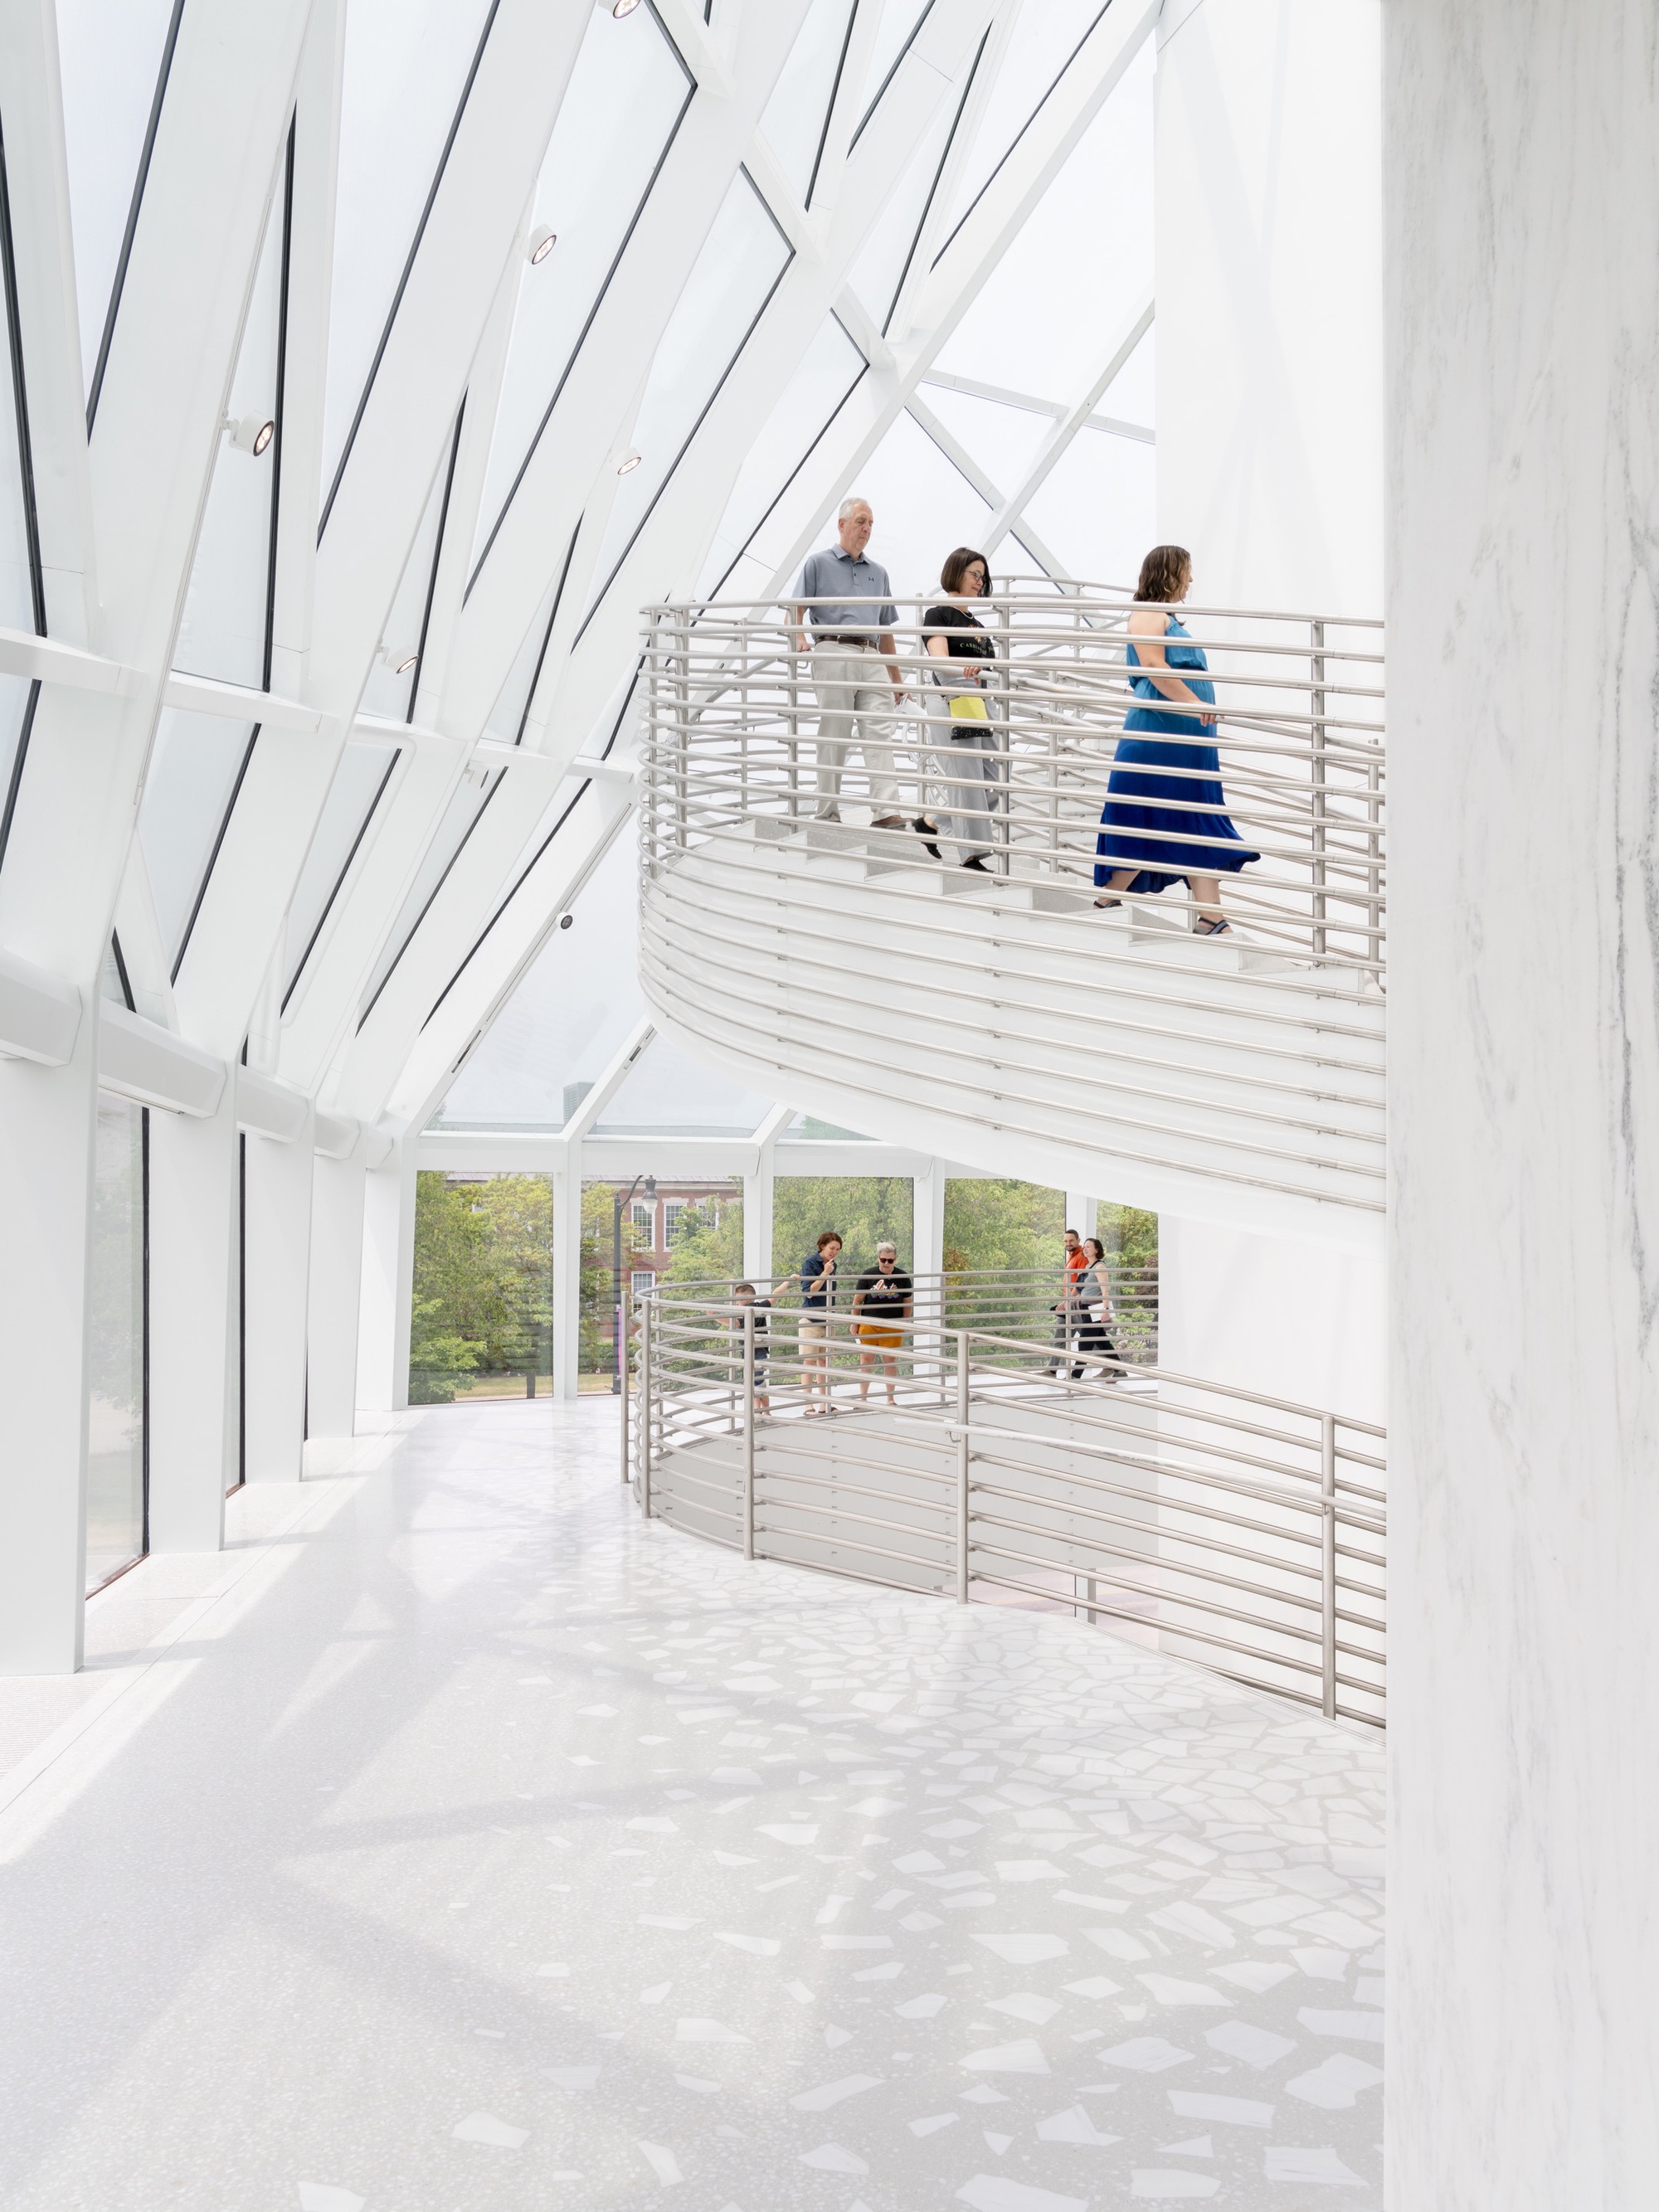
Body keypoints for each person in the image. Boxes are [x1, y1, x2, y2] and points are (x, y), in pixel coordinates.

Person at [1094, 544, 1259, 936]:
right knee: (1152, 812)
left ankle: (1210, 917)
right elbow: (1153, 664)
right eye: (1187, 571)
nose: (1191, 579)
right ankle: (1106, 900)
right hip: (1160, 730)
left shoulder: (1165, 617)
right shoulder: (1149, 612)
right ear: (1169, 573)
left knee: (1191, 815)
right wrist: (1194, 702)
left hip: (1184, 735)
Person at [791, 498, 939, 846]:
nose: (867, 529)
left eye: (871, 523)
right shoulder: (818, 563)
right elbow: (796, 607)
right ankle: (827, 812)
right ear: (842, 524)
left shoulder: (879, 573)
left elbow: (885, 629)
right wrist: (799, 638)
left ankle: (886, 812)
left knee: (879, 733)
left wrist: (896, 679)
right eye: (860, 521)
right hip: (833, 649)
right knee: (835, 733)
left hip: (871, 655)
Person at [922, 547, 1003, 871]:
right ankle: (972, 855)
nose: (980, 582)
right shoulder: (938, 614)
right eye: (975, 574)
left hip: (981, 702)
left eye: (983, 577)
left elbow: (992, 670)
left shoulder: (979, 626)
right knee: (967, 777)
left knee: (996, 778)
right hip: (953, 698)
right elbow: (939, 658)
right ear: (956, 572)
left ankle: (930, 822)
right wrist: (962, 669)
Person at [852, 1242, 913, 1407]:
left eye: (890, 1261)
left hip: (892, 1324)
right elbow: (857, 1301)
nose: (886, 1263)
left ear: (895, 1260)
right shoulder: (868, 1275)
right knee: (866, 1360)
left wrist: (905, 1322)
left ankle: (890, 1399)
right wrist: (854, 1323)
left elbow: (907, 1302)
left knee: (890, 1361)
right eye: (883, 1260)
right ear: (878, 1258)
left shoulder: (903, 1277)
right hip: (868, 1323)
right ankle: (863, 1398)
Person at [798, 1231, 842, 1413]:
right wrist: (824, 1273)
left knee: (825, 1363)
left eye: (838, 1249)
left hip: (828, 1320)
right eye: (832, 1248)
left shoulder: (833, 1265)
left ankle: (825, 1404)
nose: (834, 1252)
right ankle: (808, 1405)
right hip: (811, 1320)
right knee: (809, 1362)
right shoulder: (810, 1263)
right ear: (822, 1246)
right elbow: (809, 1292)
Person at [1069, 1237, 1123, 1383]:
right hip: (1086, 1309)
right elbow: (1081, 1288)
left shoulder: (1099, 1267)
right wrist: (1068, 1301)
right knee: (1102, 1342)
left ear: (1096, 1250)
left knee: (1084, 1343)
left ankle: (1075, 1376)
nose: (1085, 1249)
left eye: (1088, 1247)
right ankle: (1120, 1370)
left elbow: (1105, 1290)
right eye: (1084, 1247)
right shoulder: (1088, 1267)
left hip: (1095, 1309)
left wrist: (1105, 1310)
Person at [1046, 1228, 1090, 1376]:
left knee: (1090, 1339)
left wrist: (1069, 1301)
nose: (1068, 1243)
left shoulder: (1081, 1257)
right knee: (1060, 1338)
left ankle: (1112, 1364)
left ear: (1078, 1240)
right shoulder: (1072, 1257)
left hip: (1075, 1305)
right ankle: (1052, 1370)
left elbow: (1083, 1282)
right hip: (1067, 1304)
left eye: (1071, 1240)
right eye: (1065, 1241)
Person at [732, 1281, 771, 1415]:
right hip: (757, 1351)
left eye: (738, 1300)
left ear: (748, 1299)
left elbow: (736, 1323)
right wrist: (788, 1281)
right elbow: (775, 1296)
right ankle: (763, 1411)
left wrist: (716, 1317)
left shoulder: (747, 1312)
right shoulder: (761, 1306)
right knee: (757, 1383)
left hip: (753, 1352)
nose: (736, 1303)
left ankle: (759, 1411)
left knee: (755, 1384)